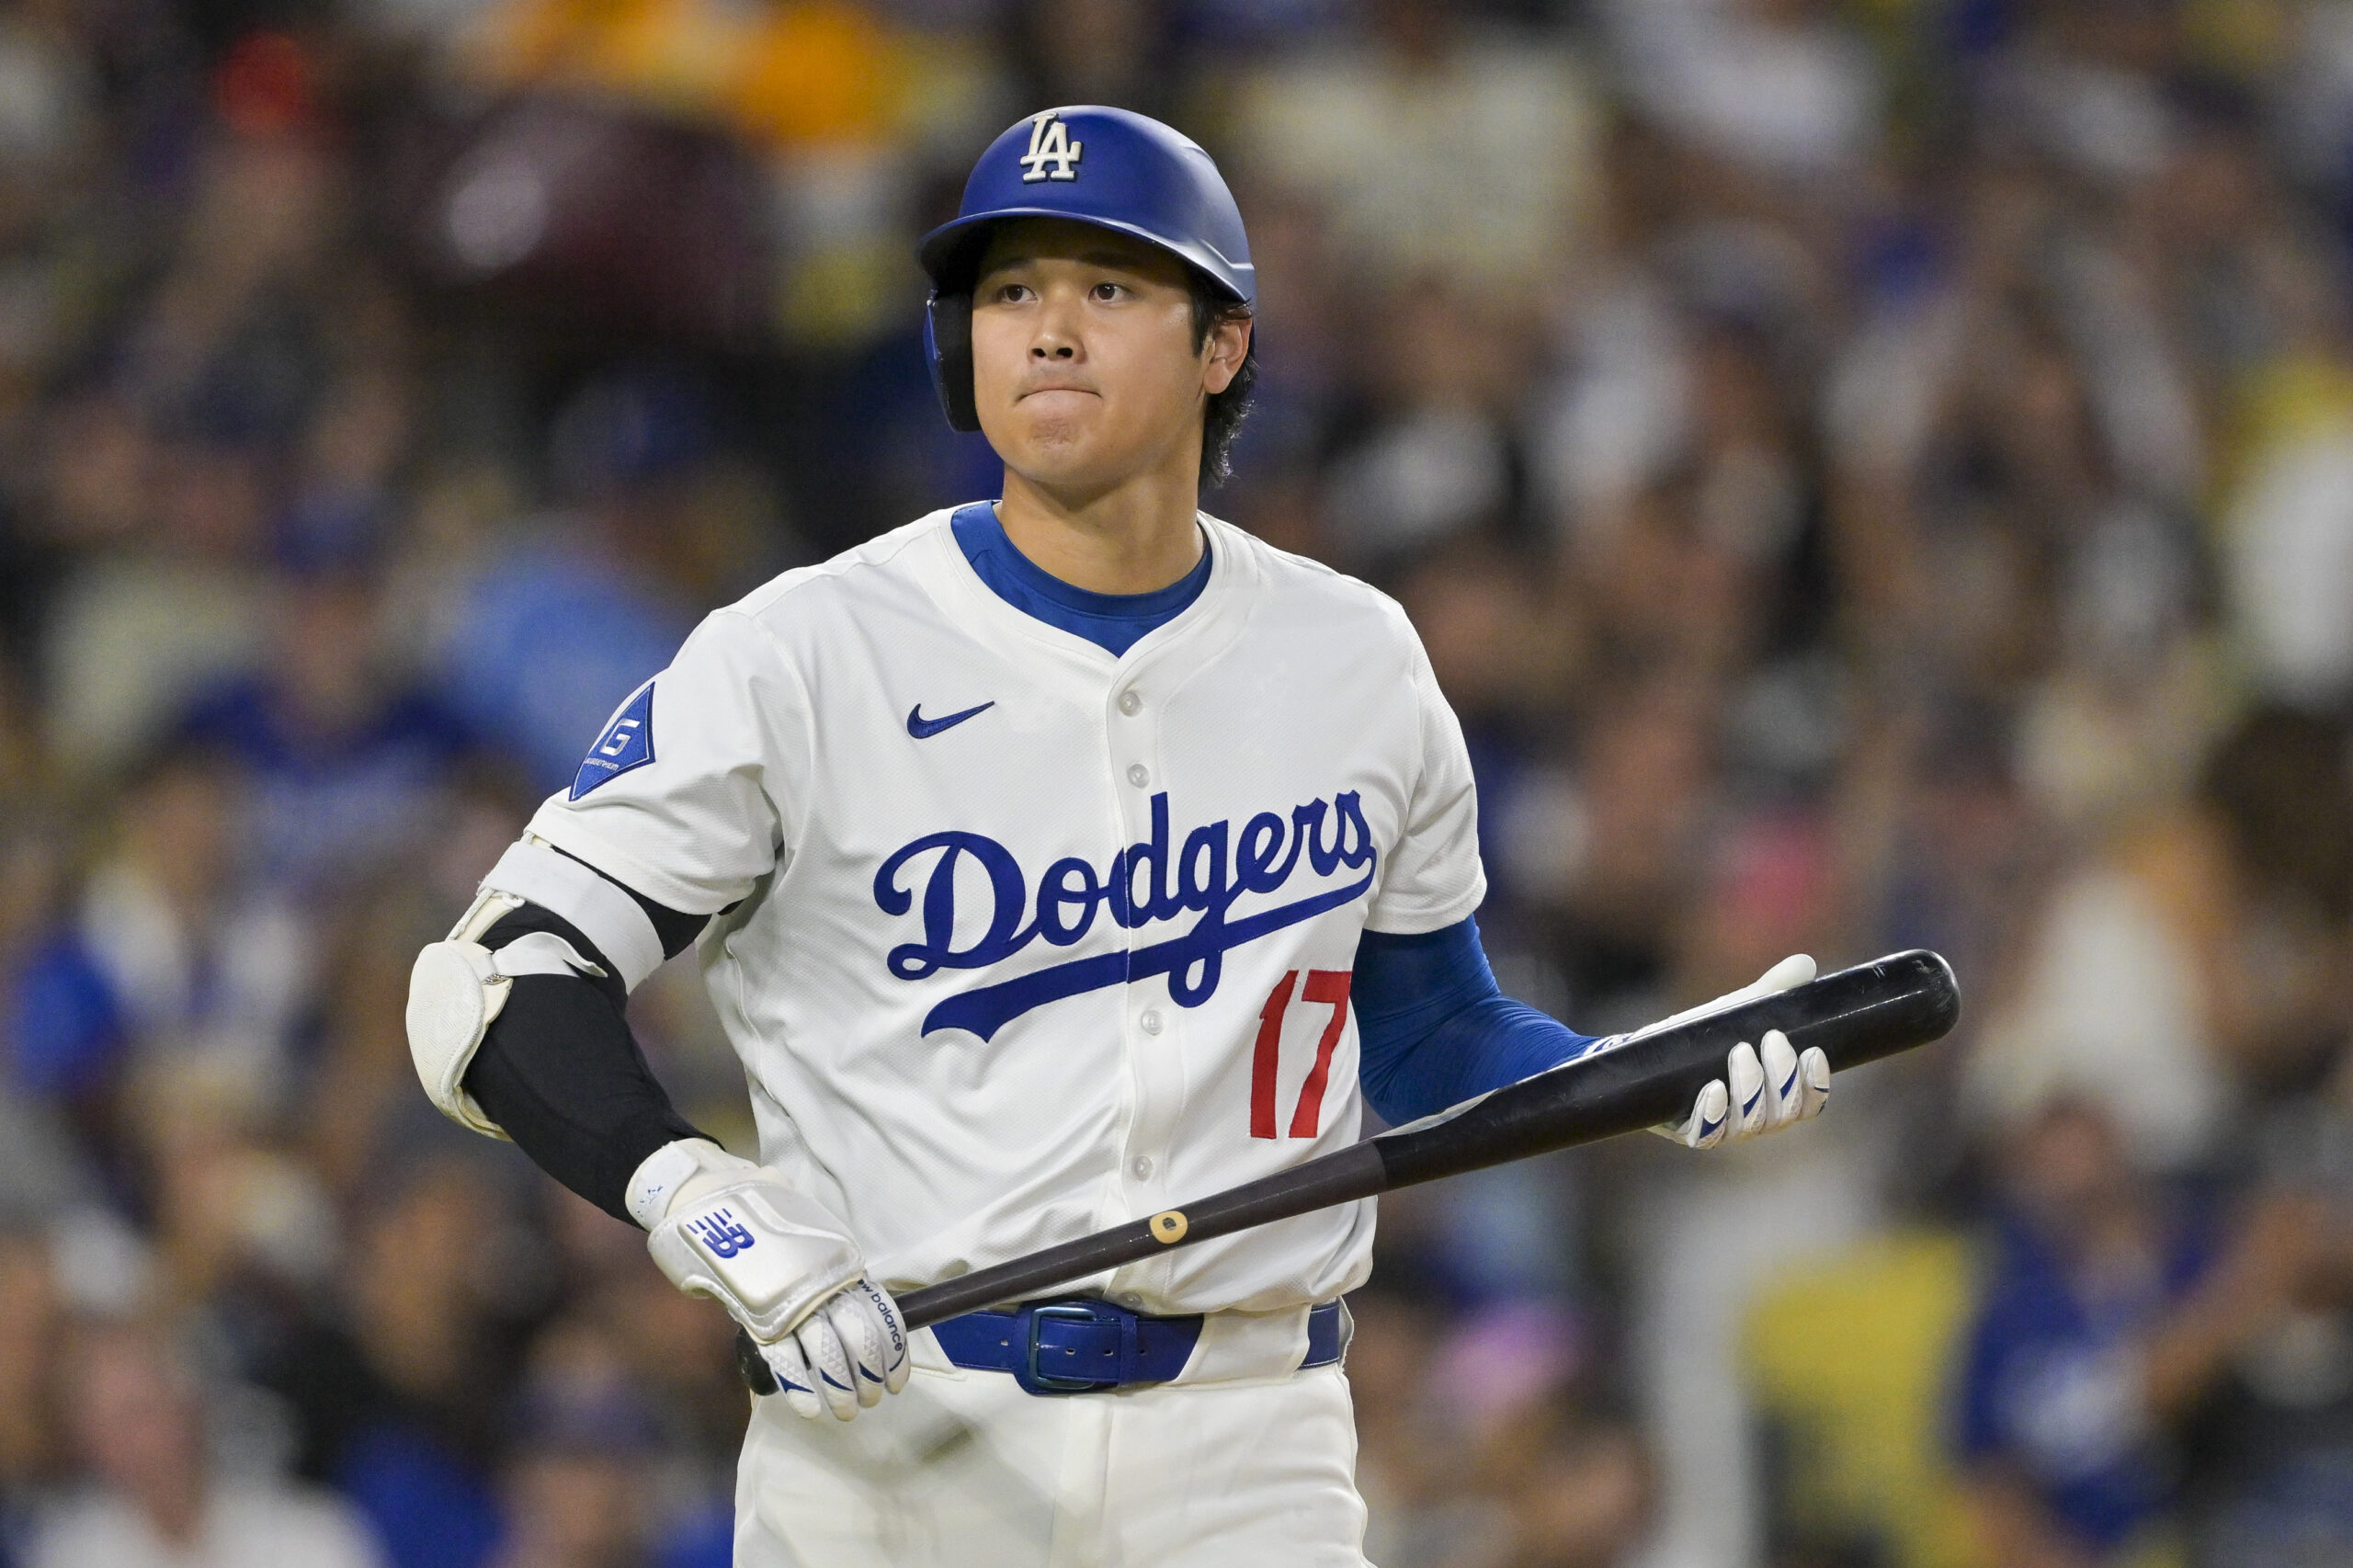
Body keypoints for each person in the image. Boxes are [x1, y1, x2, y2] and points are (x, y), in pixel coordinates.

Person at [404, 106, 1835, 1565]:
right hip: (896, 1434)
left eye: (1110, 287)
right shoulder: (804, 650)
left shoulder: (1357, 657)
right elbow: (495, 985)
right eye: (1012, 291)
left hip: (1249, 1439)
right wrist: (703, 1203)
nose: (1051, 331)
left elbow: (1425, 1033)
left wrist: (1648, 1072)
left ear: (1222, 347)